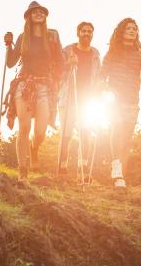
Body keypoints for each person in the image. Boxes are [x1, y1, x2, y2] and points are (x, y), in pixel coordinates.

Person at [3, 1, 63, 180]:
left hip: (45, 85)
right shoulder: (23, 37)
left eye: (41, 12)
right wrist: (8, 45)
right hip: (24, 84)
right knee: (24, 127)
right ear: (28, 16)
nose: (38, 14)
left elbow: (60, 60)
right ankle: (23, 170)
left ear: (45, 16)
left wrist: (58, 81)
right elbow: (10, 63)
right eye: (34, 12)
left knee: (40, 132)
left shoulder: (52, 35)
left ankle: (34, 148)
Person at [99, 18, 141, 188]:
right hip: (114, 98)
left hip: (132, 99)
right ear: (122, 32)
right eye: (128, 28)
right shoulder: (112, 53)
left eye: (134, 29)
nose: (132, 31)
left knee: (126, 137)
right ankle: (116, 166)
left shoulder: (140, 54)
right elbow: (102, 72)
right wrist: (101, 84)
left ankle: (120, 174)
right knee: (117, 128)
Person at [58, 22, 101, 176]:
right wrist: (69, 63)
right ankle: (62, 167)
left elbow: (99, 74)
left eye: (90, 31)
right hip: (69, 95)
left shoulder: (95, 53)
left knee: (86, 132)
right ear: (78, 33)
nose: (87, 34)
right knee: (66, 133)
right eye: (84, 31)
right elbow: (57, 69)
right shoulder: (68, 50)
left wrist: (100, 88)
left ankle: (83, 169)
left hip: (87, 99)